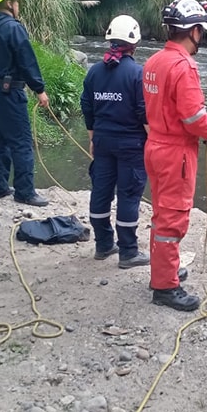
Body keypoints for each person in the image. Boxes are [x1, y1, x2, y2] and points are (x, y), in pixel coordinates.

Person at [142, 0, 207, 311]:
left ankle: (164, 272)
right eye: (201, 29)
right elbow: (193, 118)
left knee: (162, 214)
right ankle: (165, 287)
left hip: (155, 146)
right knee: (172, 220)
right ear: (193, 31)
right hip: (176, 153)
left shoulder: (153, 61)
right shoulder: (183, 67)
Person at [80, 15, 150, 268]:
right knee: (129, 196)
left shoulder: (94, 72)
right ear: (134, 43)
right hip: (131, 145)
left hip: (102, 141)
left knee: (101, 192)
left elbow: (87, 106)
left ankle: (103, 244)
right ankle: (128, 252)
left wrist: (92, 138)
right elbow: (144, 113)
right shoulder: (137, 74)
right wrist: (154, 141)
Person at [0, 0, 50, 207]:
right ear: (8, 3)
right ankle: (25, 192)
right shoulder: (13, 28)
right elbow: (26, 61)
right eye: (15, 0)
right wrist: (39, 90)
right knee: (21, 142)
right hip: (11, 93)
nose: (17, 4)